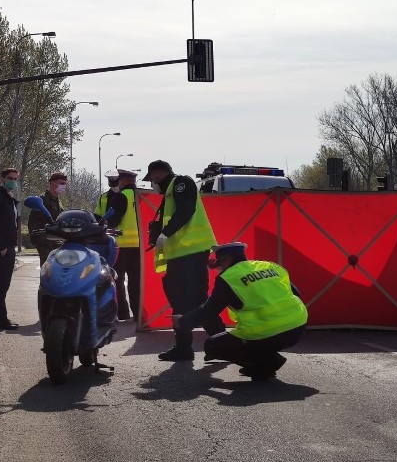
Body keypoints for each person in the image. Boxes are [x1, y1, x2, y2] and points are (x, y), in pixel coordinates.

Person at [174, 242, 308, 381]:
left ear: (226, 260)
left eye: (219, 264)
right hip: (298, 327)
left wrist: (183, 321)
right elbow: (295, 293)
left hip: (266, 332)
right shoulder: (270, 267)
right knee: (253, 340)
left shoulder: (229, 278)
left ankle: (266, 363)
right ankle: (266, 358)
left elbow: (209, 311)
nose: (219, 268)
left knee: (213, 346)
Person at [143, 159, 226, 361]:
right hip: (181, 256)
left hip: (191, 253)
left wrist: (166, 233)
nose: (153, 185)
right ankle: (184, 348)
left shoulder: (181, 183)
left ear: (158, 174)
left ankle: (222, 343)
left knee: (198, 300)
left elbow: (186, 210)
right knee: (180, 302)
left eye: (153, 179)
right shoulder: (170, 193)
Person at [0, 168, 22, 330]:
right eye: (10, 178)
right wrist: (2, 248)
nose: (13, 181)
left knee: (5, 284)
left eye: (15, 179)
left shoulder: (9, 199)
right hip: (2, 248)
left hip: (8, 247)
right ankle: (1, 321)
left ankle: (2, 319)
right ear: (2, 179)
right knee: (2, 284)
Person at [103, 169, 141, 321]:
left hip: (121, 245)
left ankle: (123, 313)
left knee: (117, 280)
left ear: (123, 181)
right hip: (139, 247)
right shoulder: (142, 196)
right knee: (136, 282)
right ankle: (139, 314)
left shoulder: (121, 197)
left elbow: (113, 220)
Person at [27, 172, 67, 266]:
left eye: (65, 184)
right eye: (61, 183)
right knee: (47, 270)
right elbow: (33, 221)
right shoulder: (41, 200)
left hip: (57, 241)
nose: (64, 186)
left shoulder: (58, 201)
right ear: (53, 183)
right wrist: (37, 240)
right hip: (45, 242)